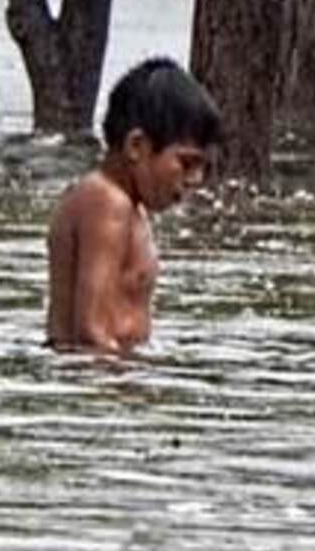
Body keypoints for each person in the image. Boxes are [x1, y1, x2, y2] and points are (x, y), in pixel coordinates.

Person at [45, 57, 224, 354]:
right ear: (136, 147)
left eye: (202, 168)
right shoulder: (107, 202)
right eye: (187, 163)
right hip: (100, 382)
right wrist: (119, 390)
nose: (195, 180)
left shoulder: (125, 205)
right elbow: (91, 332)